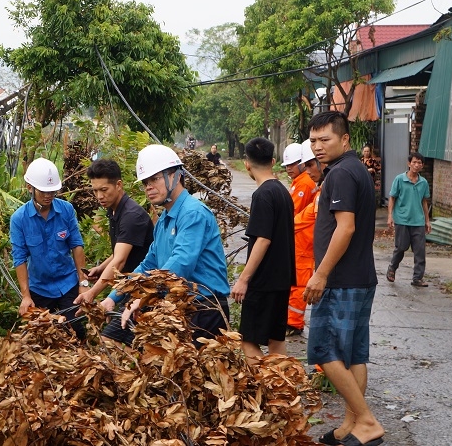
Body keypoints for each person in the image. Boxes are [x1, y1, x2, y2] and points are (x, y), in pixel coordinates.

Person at [303, 111, 384, 446]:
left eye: (325, 140)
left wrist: (321, 274)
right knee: (354, 355)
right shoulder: (356, 170)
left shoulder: (340, 174)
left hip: (341, 280)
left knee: (323, 349)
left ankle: (366, 421)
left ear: (345, 139)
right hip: (360, 277)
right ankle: (351, 425)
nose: (318, 147)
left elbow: (346, 227)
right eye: (313, 141)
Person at [101, 144, 231, 347]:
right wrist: (113, 297)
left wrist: (143, 297)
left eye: (155, 179)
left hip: (204, 308)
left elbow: (181, 263)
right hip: (173, 303)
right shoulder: (164, 219)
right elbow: (148, 264)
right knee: (112, 339)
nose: (149, 187)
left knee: (186, 375)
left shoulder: (192, 213)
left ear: (177, 176)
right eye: (145, 182)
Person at [230, 137, 295, 363]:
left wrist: (244, 280)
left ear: (246, 163)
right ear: (273, 161)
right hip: (282, 279)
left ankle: (268, 388)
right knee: (276, 341)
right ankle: (285, 393)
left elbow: (263, 240)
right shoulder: (283, 192)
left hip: (264, 281)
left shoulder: (262, 195)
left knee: (248, 342)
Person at [10, 157, 88, 339]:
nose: (49, 196)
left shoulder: (66, 210)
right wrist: (26, 296)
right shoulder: (19, 219)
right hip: (39, 287)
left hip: (67, 283)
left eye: (53, 191)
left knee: (76, 331)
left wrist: (83, 284)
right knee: (40, 336)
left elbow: (76, 245)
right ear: (30, 188)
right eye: (44, 191)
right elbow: (19, 258)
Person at [74, 159, 154, 304]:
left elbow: (120, 260)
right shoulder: (115, 209)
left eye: (104, 190)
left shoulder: (131, 215)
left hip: (145, 290)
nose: (99, 196)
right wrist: (101, 268)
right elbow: (119, 251)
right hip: (129, 286)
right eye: (95, 191)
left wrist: (92, 293)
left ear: (118, 185)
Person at [287, 139, 324, 336]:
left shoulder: (307, 186)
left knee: (299, 285)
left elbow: (297, 215)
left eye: (309, 165)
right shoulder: (313, 186)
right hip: (301, 242)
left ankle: (294, 322)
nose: (307, 170)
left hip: (305, 244)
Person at [386, 152, 432, 287]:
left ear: (422, 166)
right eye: (414, 162)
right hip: (402, 219)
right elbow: (392, 197)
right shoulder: (400, 179)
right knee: (401, 247)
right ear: (409, 164)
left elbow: (424, 201)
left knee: (420, 251)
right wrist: (390, 216)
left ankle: (417, 278)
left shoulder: (423, 182)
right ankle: (392, 268)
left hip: (418, 220)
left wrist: (427, 221)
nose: (416, 165)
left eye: (419, 163)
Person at [283, 142, 317, 216]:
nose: (289, 168)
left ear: (302, 163)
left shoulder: (304, 183)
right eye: (287, 165)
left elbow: (293, 212)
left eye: (292, 164)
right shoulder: (299, 180)